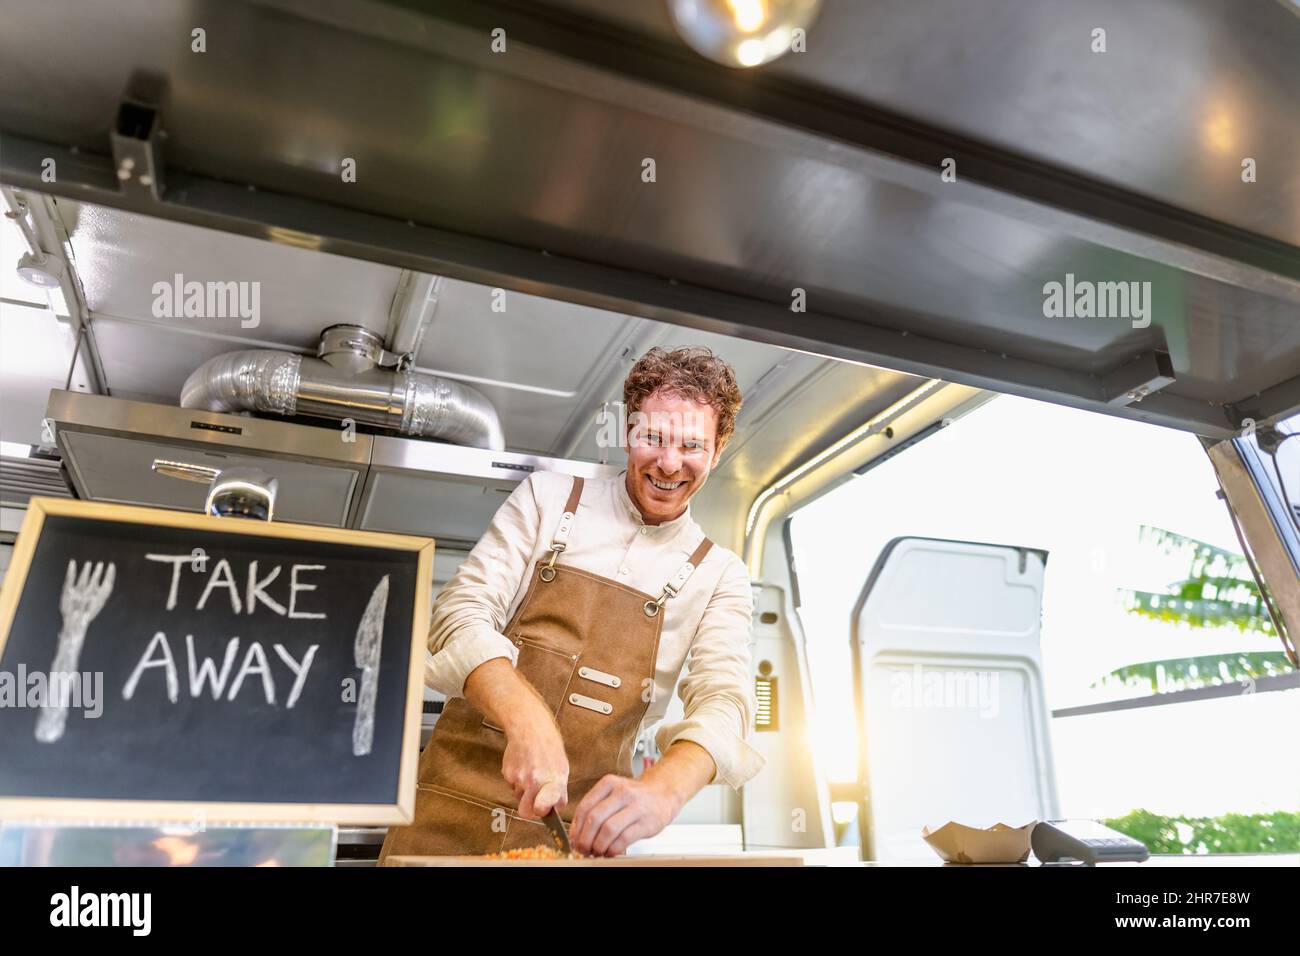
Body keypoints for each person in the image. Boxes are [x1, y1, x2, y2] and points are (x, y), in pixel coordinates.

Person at [379, 346, 764, 860]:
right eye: (653, 437)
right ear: (629, 433)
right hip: (446, 816)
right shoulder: (547, 499)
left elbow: (725, 703)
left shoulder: (720, 575)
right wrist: (526, 719)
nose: (669, 463)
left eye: (691, 445)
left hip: (580, 838)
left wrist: (664, 790)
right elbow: (459, 612)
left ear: (717, 451)